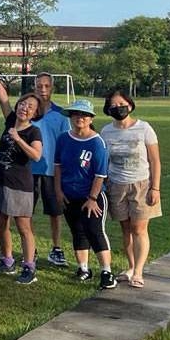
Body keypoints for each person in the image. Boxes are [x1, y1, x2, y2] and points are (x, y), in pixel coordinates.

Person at [100, 89, 161, 289]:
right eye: (114, 106)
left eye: (122, 104)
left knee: (139, 228)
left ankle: (139, 271)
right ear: (108, 110)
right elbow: (103, 160)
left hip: (142, 184)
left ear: (130, 104)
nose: (119, 108)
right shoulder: (106, 131)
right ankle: (131, 266)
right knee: (125, 228)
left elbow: (155, 161)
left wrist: (155, 188)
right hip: (116, 185)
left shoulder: (144, 128)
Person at [55, 98, 115, 290]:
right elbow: (57, 166)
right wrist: (58, 190)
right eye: (75, 114)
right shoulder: (64, 138)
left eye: (84, 115)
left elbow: (100, 174)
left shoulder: (97, 142)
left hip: (91, 197)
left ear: (90, 119)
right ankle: (83, 268)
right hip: (68, 195)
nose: (79, 118)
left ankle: (107, 272)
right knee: (77, 231)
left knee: (94, 231)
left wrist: (92, 198)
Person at [0, 82, 44, 285]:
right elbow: (2, 97)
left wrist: (19, 139)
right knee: (1, 223)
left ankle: (29, 267)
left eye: (30, 106)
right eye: (22, 104)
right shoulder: (11, 120)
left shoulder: (33, 132)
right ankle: (7, 261)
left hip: (19, 185)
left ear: (35, 113)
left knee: (23, 227)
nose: (24, 108)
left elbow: (37, 155)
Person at [29, 70, 71, 268]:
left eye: (46, 86)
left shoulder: (61, 115)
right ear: (34, 87)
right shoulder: (28, 112)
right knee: (26, 212)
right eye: (39, 86)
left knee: (55, 212)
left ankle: (56, 248)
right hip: (28, 169)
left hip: (51, 171)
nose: (43, 89)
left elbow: (65, 144)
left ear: (52, 88)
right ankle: (31, 249)